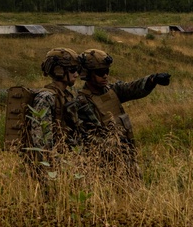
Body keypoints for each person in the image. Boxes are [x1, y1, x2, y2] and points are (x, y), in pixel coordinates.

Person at [69, 48, 170, 178]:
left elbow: (132, 88)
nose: (105, 76)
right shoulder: (82, 102)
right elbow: (85, 138)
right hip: (103, 166)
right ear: (87, 74)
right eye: (100, 72)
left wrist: (153, 80)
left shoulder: (113, 90)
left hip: (126, 159)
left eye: (107, 71)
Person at [22, 47, 80, 179]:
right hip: (50, 166)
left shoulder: (67, 95)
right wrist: (53, 165)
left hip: (65, 161)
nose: (76, 74)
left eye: (77, 70)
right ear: (59, 71)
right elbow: (41, 138)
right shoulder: (46, 97)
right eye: (72, 70)